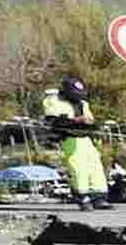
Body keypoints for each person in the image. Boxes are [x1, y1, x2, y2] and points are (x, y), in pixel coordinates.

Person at [42, 75, 112, 211]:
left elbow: (91, 121)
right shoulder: (53, 101)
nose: (79, 97)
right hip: (69, 138)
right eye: (75, 94)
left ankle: (99, 197)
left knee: (95, 165)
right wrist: (75, 121)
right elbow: (54, 122)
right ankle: (83, 197)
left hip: (85, 138)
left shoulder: (83, 103)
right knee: (79, 167)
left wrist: (92, 123)